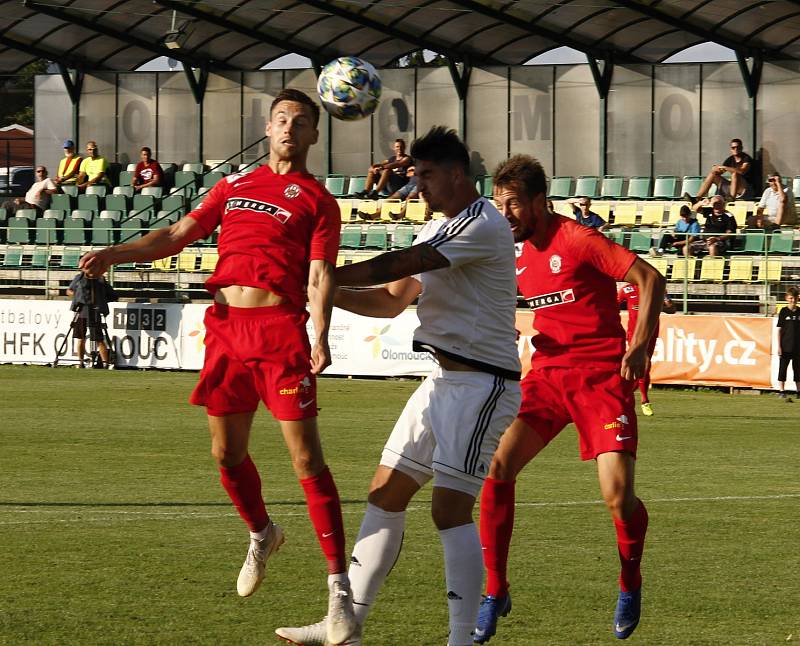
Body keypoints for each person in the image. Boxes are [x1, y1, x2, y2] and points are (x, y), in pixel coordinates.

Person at [79, 88, 357, 646]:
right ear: (268, 125)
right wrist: (115, 253)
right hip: (227, 331)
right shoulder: (234, 185)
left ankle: (339, 594)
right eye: (281, 118)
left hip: (279, 332)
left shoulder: (317, 200)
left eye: (301, 122)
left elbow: (321, 273)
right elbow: (179, 236)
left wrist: (320, 333)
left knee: (307, 459)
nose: (288, 128)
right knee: (225, 453)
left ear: (314, 136)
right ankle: (262, 532)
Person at [275, 127, 521, 646]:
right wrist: (322, 291)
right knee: (384, 493)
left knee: (448, 509)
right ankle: (346, 625)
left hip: (483, 385)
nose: (418, 185)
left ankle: (461, 639)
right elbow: (389, 299)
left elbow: (400, 265)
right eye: (415, 175)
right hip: (441, 380)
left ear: (456, 175)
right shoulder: (439, 228)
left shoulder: (481, 223)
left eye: (426, 175)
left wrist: (325, 275)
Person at [474, 154, 665, 643]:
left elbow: (649, 279)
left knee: (618, 498)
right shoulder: (508, 248)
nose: (506, 214)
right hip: (548, 377)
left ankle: (630, 581)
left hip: (602, 379)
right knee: (497, 465)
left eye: (514, 204)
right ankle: (495, 589)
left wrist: (640, 346)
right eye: (500, 205)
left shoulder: (578, 240)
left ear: (541, 201)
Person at [617, 283, 675, 416]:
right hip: (635, 333)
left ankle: (626, 394)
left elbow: (672, 309)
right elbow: (614, 305)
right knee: (645, 361)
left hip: (652, 332)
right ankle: (645, 401)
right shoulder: (626, 289)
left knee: (644, 367)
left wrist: (662, 304)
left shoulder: (657, 287)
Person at [66, 272, 113, 368]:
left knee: (99, 339)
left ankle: (105, 363)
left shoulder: (100, 279)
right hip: (81, 311)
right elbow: (69, 291)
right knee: (81, 338)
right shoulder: (79, 278)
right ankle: (81, 362)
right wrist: (78, 295)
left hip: (95, 311)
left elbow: (110, 294)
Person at [690, 138, 755, 201]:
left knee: (735, 174)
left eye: (738, 147)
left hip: (746, 190)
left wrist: (725, 168)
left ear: (741, 148)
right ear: (731, 149)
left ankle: (731, 199)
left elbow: (742, 171)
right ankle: (698, 198)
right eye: (733, 148)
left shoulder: (746, 158)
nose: (736, 149)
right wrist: (715, 169)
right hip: (733, 188)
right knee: (712, 174)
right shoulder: (730, 159)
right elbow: (720, 171)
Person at [776, 287, 800, 401]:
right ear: (787, 298)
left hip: (797, 347)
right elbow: (779, 330)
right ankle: (781, 391)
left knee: (798, 370)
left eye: (795, 298)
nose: (793, 300)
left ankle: (798, 391)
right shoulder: (783, 311)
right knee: (783, 369)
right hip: (785, 347)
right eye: (791, 298)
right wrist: (779, 346)